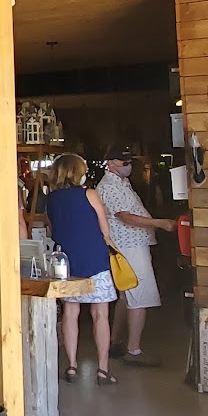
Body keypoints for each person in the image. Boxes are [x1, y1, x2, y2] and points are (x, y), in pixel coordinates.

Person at [40, 153, 119, 385]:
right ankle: (103, 370)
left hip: (66, 263)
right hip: (95, 260)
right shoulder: (89, 194)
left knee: (70, 313)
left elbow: (52, 228)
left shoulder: (51, 200)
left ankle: (72, 366)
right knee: (100, 315)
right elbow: (105, 230)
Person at [96, 146, 175, 366]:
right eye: (123, 162)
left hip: (132, 244)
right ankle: (134, 350)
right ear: (110, 163)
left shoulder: (121, 182)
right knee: (140, 294)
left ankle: (114, 341)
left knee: (127, 295)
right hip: (129, 245)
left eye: (129, 161)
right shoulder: (110, 186)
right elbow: (126, 217)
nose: (128, 165)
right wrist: (159, 223)